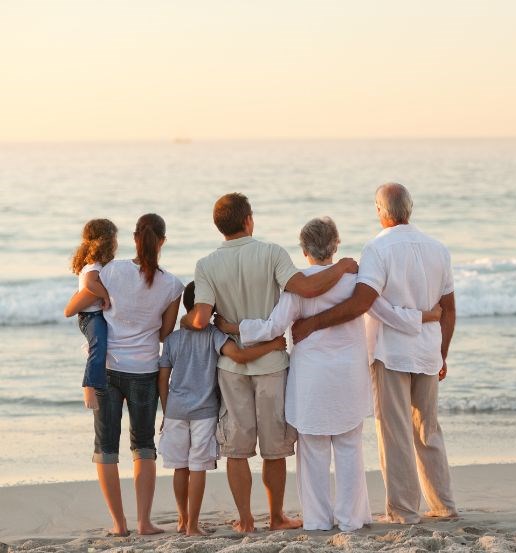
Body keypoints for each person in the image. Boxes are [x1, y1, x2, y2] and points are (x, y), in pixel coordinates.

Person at [217, 217, 441, 531]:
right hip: (349, 374)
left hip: (312, 378)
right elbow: (386, 313)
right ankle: (351, 519)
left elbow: (271, 328)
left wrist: (233, 327)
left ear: (304, 248)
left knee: (313, 452)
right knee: (350, 448)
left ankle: (319, 520)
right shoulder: (354, 281)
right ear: (335, 245)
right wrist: (426, 317)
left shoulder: (297, 286)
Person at [181, 193, 358, 532]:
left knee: (236, 446)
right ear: (249, 220)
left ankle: (246, 520)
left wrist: (187, 323)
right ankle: (276, 517)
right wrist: (343, 266)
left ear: (220, 226)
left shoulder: (205, 265)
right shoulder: (272, 253)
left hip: (231, 368)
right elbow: (304, 288)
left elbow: (202, 318)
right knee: (274, 447)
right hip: (273, 364)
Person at [292, 183, 458, 524]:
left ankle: (404, 510)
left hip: (392, 352)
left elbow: (362, 302)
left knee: (394, 431)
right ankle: (443, 504)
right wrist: (442, 352)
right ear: (409, 209)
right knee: (428, 430)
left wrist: (314, 324)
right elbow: (449, 309)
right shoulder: (438, 248)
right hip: (427, 351)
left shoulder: (378, 249)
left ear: (381, 212)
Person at [65, 213, 184, 536]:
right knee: (143, 446)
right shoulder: (173, 285)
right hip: (144, 369)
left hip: (107, 369)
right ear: (162, 242)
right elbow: (164, 333)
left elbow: (85, 300)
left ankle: (119, 525)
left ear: (134, 238)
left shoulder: (112, 270)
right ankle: (144, 522)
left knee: (106, 447)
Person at [158, 281, 289, 537]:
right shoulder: (214, 335)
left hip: (175, 411)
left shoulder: (172, 340)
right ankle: (193, 526)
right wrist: (272, 346)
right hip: (204, 412)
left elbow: (163, 378)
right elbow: (239, 357)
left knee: (180, 467)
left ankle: (183, 520)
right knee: (197, 466)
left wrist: (166, 409)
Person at [63, 219, 118, 410]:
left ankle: (107, 385)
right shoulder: (93, 267)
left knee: (103, 346)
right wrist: (106, 296)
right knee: (99, 346)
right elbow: (90, 285)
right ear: (107, 241)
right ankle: (89, 386)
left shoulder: (96, 265)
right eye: (114, 238)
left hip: (94, 315)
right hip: (91, 316)